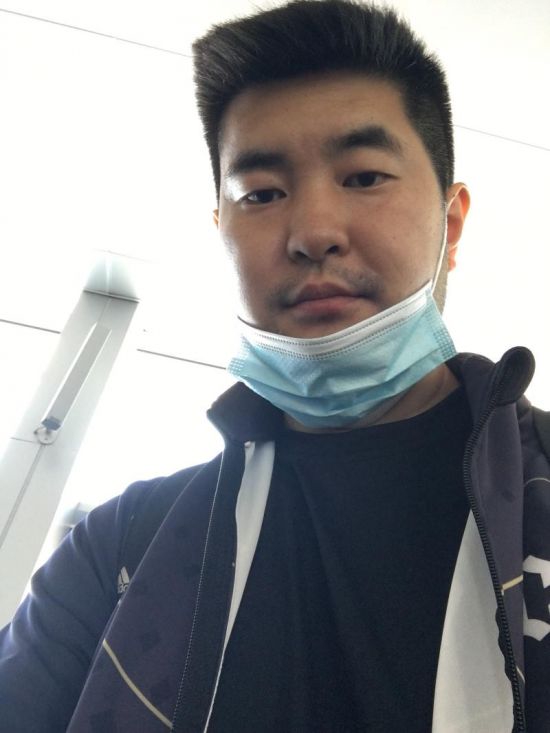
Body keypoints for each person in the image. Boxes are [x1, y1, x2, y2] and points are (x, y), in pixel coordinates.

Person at [1, 1, 549, 731]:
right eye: (261, 194)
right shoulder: (120, 548)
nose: (313, 231)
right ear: (222, 233)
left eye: (364, 177)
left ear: (450, 224)